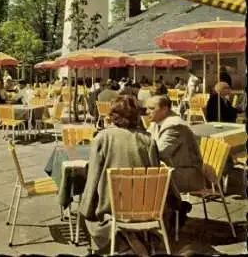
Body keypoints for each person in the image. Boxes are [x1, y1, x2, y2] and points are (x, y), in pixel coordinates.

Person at [80, 95, 162, 254]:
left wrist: (87, 207)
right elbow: (155, 172)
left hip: (113, 207)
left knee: (88, 215)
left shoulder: (103, 137)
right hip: (144, 206)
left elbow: (93, 178)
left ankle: (124, 239)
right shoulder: (148, 139)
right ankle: (130, 236)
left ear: (113, 115)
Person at [145, 96, 204, 193]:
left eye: (151, 108)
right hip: (174, 169)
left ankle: (172, 207)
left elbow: (159, 153)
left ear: (164, 109)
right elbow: (147, 143)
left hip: (188, 175)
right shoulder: (156, 122)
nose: (147, 112)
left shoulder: (175, 126)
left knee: (145, 182)